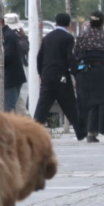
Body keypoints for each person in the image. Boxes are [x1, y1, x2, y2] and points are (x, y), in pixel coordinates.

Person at [34, 13, 85, 141]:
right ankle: (81, 133)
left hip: (47, 77)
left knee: (42, 107)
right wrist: (77, 74)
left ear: (56, 23)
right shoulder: (68, 38)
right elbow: (71, 59)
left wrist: (41, 74)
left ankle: (32, 133)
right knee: (71, 106)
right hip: (61, 77)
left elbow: (39, 58)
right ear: (69, 25)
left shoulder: (47, 38)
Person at [72, 10, 104, 143]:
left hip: (84, 71)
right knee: (99, 101)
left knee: (84, 100)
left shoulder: (82, 35)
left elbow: (76, 52)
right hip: (101, 72)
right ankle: (93, 131)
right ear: (102, 22)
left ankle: (84, 129)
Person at [0, 10, 27, 113]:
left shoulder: (7, 36)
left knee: (8, 108)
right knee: (10, 107)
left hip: (9, 78)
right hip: (9, 78)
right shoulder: (6, 35)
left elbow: (6, 56)